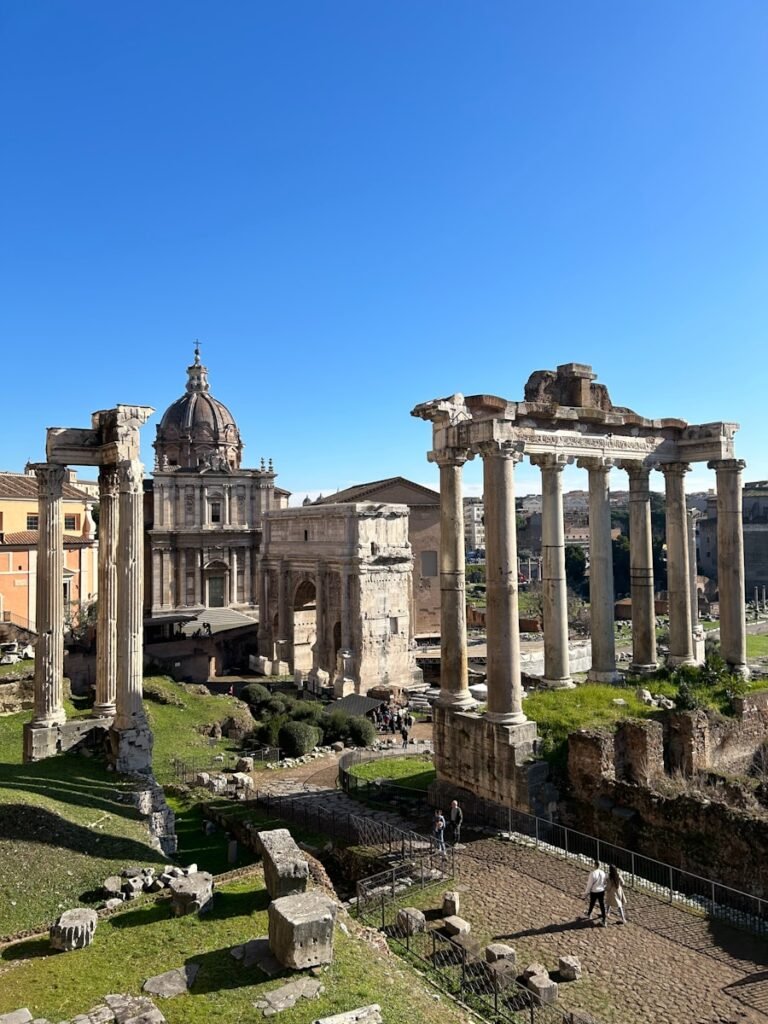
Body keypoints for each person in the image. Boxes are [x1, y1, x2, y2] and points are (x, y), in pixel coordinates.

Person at [582, 858, 607, 926]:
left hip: (594, 891)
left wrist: (586, 892)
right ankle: (604, 919)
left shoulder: (592, 873)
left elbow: (589, 884)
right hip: (601, 890)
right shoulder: (603, 873)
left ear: (595, 865)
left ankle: (589, 914)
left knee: (592, 903)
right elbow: (604, 882)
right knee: (602, 905)